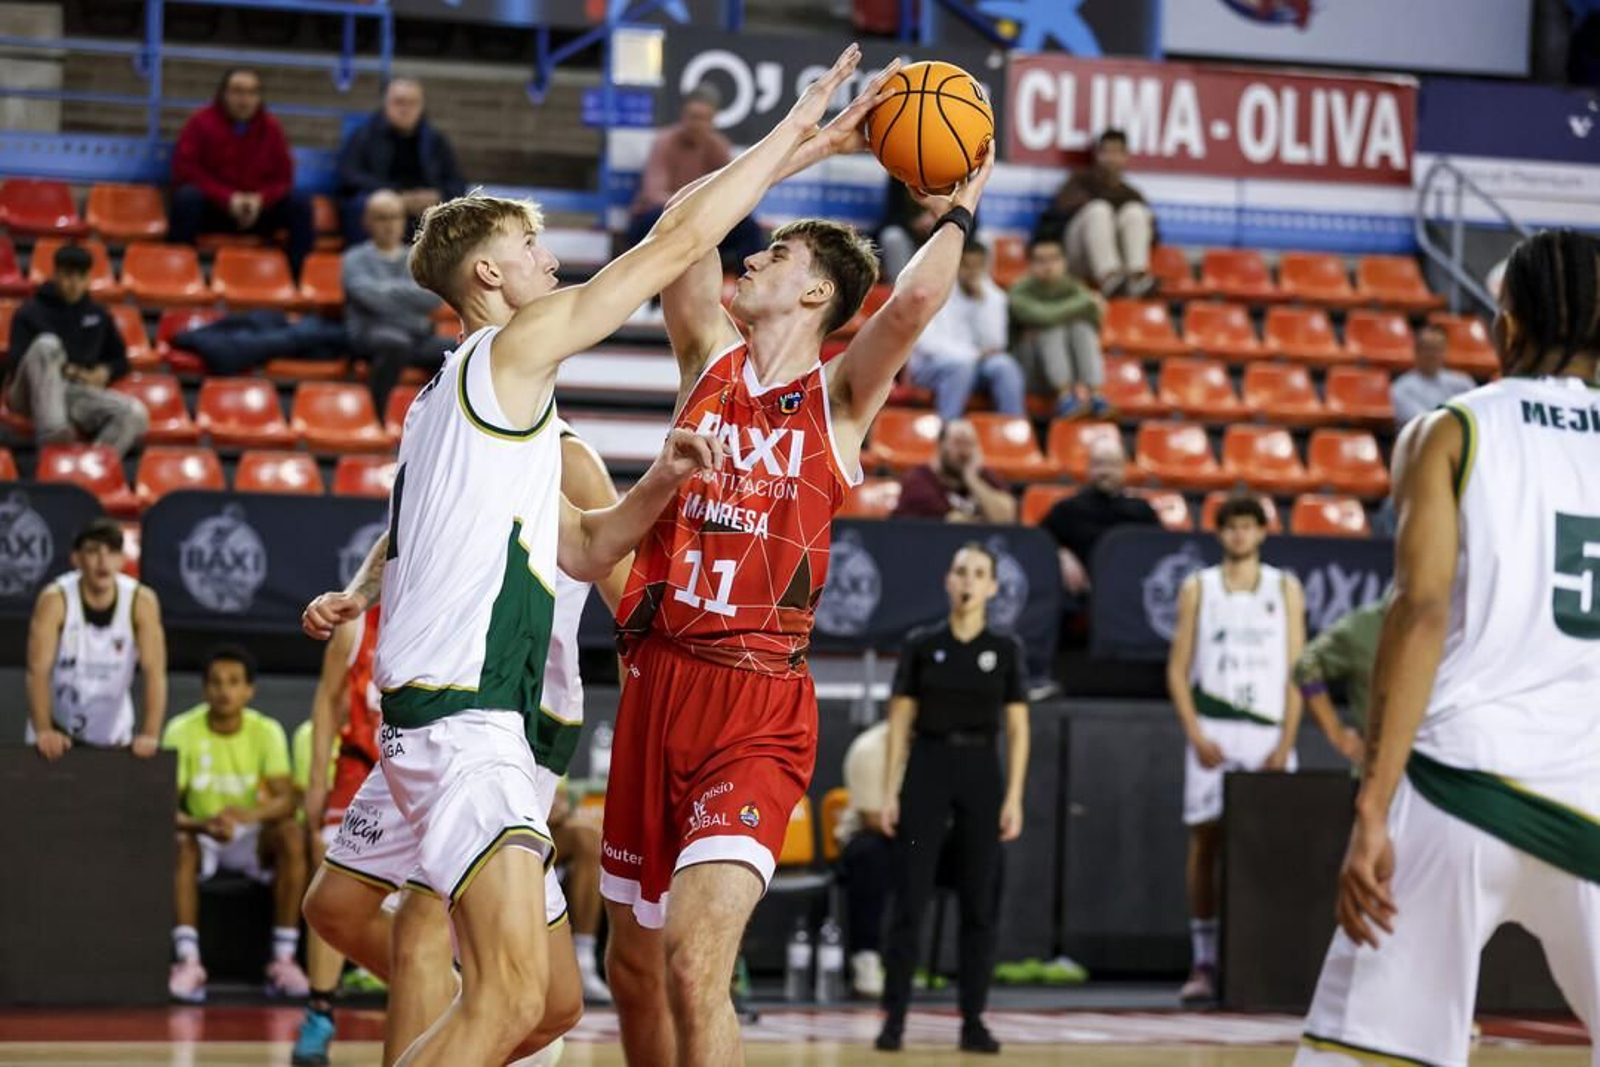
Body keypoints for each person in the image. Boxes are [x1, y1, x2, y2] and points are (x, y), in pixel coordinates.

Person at [298, 47, 873, 1067]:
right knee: (508, 993)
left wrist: (660, 482)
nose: (548, 258)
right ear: (487, 274)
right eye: (530, 245)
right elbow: (675, 242)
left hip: (458, 726)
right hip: (466, 720)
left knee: (554, 1002)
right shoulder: (508, 355)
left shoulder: (464, 404)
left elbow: (583, 545)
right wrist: (799, 139)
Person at [597, 54, 994, 1067]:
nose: (753, 257)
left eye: (774, 251)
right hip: (654, 684)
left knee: (695, 961)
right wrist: (793, 149)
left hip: (756, 705)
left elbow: (906, 311)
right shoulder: (705, 359)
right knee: (633, 968)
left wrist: (954, 213)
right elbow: (679, 229)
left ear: (816, 287)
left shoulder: (837, 401)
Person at [1296, 229, 1600, 1067]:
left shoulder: (1451, 430)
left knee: (1368, 1057)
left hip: (1459, 788)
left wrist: (1370, 807)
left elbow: (1420, 612)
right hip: (1592, 797)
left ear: (1507, 319)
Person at [877, 544, 1030, 1054]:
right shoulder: (923, 645)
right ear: (949, 580)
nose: (968, 581)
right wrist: (889, 790)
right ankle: (894, 1018)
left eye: (979, 574)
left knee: (978, 902)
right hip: (928, 768)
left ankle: (973, 1020)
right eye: (961, 571)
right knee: (910, 898)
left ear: (992, 587)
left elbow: (1018, 727)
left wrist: (1014, 796)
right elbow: (899, 721)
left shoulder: (1005, 650)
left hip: (981, 771)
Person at [1165, 492, 1305, 1005]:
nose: (1240, 535)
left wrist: (1287, 741)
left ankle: (1273, 958)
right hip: (1215, 729)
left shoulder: (1285, 588)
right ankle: (1204, 961)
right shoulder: (1198, 588)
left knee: (1275, 849)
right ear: (1220, 533)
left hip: (1268, 730)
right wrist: (1195, 735)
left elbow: (1299, 671)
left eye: (1249, 526)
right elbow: (1177, 671)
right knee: (1206, 843)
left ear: (1263, 532)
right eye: (1232, 527)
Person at [164, 645, 309, 1004]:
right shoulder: (181, 729)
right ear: (204, 688)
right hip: (203, 834)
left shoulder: (267, 731)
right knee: (178, 841)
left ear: (249, 690)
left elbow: (287, 801)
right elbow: (164, 804)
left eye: (233, 682)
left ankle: (283, 960)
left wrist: (246, 817)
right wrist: (203, 825)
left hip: (249, 837)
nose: (223, 690)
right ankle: (188, 962)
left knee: (291, 834)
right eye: (215, 682)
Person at [25, 517, 165, 759]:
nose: (103, 561)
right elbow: (37, 671)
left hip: (115, 738)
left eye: (112, 552)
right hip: (57, 735)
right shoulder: (55, 600)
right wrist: (44, 730)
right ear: (76, 558)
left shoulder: (141, 602)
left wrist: (150, 734)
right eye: (93, 551)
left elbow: (155, 672)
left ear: (122, 559)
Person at [170, 67, 315, 279]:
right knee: (186, 199)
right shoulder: (200, 123)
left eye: (251, 92)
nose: (244, 99)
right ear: (224, 94)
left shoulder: (271, 127)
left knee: (300, 204)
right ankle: (179, 276)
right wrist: (228, 198)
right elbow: (186, 170)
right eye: (237, 91)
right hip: (215, 210)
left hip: (257, 211)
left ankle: (297, 281)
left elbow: (284, 178)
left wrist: (260, 200)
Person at [6, 245, 147, 456]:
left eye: (81, 277)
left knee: (135, 413)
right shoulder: (29, 311)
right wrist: (65, 370)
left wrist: (104, 372)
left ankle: (90, 470)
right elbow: (16, 364)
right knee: (47, 344)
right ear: (55, 275)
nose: (74, 283)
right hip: (29, 391)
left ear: (88, 279)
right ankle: (53, 436)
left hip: (73, 392)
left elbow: (120, 360)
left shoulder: (98, 315)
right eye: (67, 276)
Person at [625, 85, 766, 275]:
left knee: (749, 229)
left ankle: (748, 290)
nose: (696, 124)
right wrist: (693, 208)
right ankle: (642, 294)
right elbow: (654, 194)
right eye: (692, 117)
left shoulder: (718, 147)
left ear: (712, 120)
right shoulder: (664, 142)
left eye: (703, 119)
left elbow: (731, 192)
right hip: (666, 216)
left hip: (701, 220)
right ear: (683, 116)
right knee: (652, 218)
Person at [342, 189, 453, 413]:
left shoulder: (417, 257)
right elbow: (366, 298)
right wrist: (409, 297)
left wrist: (385, 292)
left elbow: (432, 297)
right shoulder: (354, 259)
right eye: (382, 218)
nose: (389, 224)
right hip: (371, 334)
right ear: (367, 221)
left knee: (458, 351)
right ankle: (377, 413)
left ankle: (437, 416)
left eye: (395, 217)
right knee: (395, 342)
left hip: (415, 338)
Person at [336, 76, 467, 245]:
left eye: (413, 103)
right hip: (383, 200)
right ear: (385, 103)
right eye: (399, 102)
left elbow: (457, 181)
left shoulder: (435, 140)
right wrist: (395, 196)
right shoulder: (364, 135)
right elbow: (349, 173)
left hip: (425, 207)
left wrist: (437, 195)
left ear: (422, 106)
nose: (406, 109)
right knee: (365, 207)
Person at [906, 240, 1025, 420]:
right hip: (931, 367)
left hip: (975, 366)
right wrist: (973, 355)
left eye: (978, 266)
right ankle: (948, 431)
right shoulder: (932, 291)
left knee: (1005, 366)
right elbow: (927, 344)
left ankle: (1013, 433)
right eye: (966, 265)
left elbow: (996, 344)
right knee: (962, 365)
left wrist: (981, 304)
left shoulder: (994, 296)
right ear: (955, 263)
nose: (972, 272)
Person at [1034, 129, 1154, 297]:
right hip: (1078, 255)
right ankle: (1109, 278)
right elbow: (1060, 212)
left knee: (1135, 212)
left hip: (1121, 261)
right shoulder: (1079, 180)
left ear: (1126, 156)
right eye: (1107, 152)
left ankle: (1137, 278)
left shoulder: (1132, 194)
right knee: (1099, 210)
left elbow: (1153, 235)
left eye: (1117, 152)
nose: (1112, 158)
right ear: (1098, 155)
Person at [1038, 436, 1159, 596]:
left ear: (1124, 468)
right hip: (1081, 595)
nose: (1105, 472)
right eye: (1099, 464)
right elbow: (1038, 541)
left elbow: (1159, 549)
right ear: (1089, 468)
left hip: (1130, 596)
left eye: (1112, 465)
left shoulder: (1142, 511)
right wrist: (1061, 555)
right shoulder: (1068, 508)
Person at [1008, 235, 1107, 418]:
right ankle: (1065, 398)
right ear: (1029, 264)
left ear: (1064, 262)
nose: (1048, 266)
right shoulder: (1019, 290)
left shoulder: (1073, 286)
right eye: (1041, 260)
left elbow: (1096, 317)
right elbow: (1044, 316)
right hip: (1029, 370)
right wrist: (1084, 301)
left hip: (1072, 368)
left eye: (1054, 259)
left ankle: (1095, 395)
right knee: (1050, 328)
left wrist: (1076, 309)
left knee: (1082, 328)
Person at [1292, 592, 1388, 771]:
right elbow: (1305, 669)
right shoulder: (1367, 626)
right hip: (1377, 776)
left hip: (1445, 773)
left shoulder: (1451, 618)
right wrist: (1336, 733)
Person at [836, 718, 891, 998]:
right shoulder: (871, 748)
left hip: (921, 839)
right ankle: (865, 956)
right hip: (872, 836)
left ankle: (978, 963)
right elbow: (872, 817)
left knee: (986, 854)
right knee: (871, 854)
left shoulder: (944, 747)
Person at [892, 418, 1017, 524]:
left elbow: (1006, 516)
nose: (964, 452)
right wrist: (984, 518)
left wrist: (972, 480)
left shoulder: (982, 475)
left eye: (970, 444)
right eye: (958, 443)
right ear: (940, 446)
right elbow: (953, 522)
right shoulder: (918, 480)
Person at [1390, 322, 1475, 428]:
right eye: (1427, 349)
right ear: (1416, 351)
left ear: (1446, 351)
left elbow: (1474, 415)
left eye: (1437, 349)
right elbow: (1423, 423)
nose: (1432, 355)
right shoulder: (1401, 388)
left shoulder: (1462, 383)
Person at [875, 180, 936, 284]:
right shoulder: (902, 170)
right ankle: (901, 292)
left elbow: (966, 214)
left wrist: (942, 220)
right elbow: (892, 215)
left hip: (947, 231)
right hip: (912, 236)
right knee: (892, 236)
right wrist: (914, 223)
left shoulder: (959, 168)